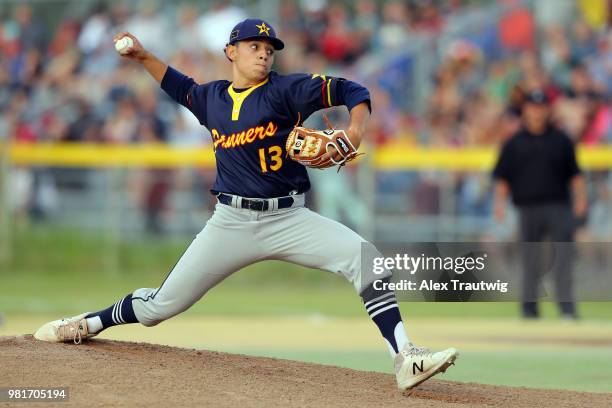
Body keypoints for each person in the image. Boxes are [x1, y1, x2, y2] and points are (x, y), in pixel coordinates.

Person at [33, 18, 458, 390]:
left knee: (366, 259)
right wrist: (143, 55)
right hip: (230, 223)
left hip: (290, 218)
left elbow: (352, 88)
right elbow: (176, 84)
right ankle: (88, 324)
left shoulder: (287, 91)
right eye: (255, 46)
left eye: (270, 49)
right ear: (231, 52)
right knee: (158, 307)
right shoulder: (211, 98)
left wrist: (357, 128)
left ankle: (406, 357)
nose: (264, 55)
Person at [493, 89, 587, 319]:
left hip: (558, 206)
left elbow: (575, 174)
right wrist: (499, 204)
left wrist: (581, 199)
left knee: (563, 256)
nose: (537, 112)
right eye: (532, 108)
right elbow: (503, 177)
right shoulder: (514, 142)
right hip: (527, 208)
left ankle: (566, 308)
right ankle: (529, 308)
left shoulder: (561, 140)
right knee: (530, 259)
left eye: (541, 107)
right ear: (525, 111)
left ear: (548, 110)